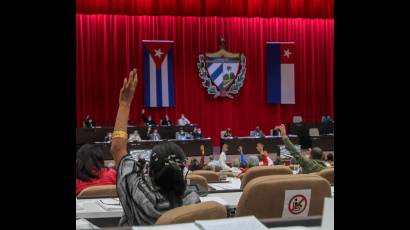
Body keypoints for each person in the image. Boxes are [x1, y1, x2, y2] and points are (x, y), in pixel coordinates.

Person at [110, 68, 200, 226]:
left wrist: (124, 104)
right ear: (183, 170)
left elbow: (118, 149)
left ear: (150, 170)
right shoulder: (193, 201)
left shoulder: (139, 193)